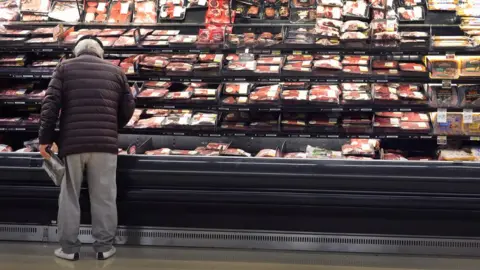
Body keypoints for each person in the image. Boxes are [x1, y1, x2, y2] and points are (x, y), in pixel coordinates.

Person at [38, 36, 135, 261]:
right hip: (105, 145)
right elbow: (128, 107)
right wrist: (113, 127)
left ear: (76, 52)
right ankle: (104, 247)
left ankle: (69, 249)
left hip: (72, 144)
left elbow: (50, 105)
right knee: (104, 196)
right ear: (100, 53)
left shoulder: (64, 69)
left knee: (69, 196)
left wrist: (46, 139)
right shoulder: (117, 72)